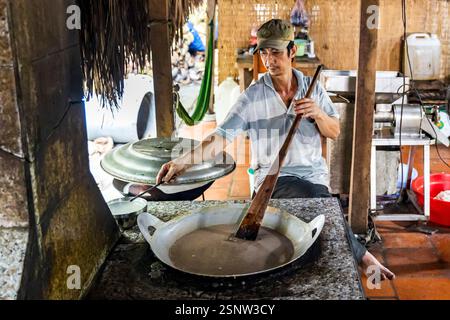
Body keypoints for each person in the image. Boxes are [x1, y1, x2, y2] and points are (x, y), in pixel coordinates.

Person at [157, 19, 395, 282]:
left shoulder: (312, 90)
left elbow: (334, 132)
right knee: (321, 202)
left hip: (313, 177)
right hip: (274, 179)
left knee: (318, 207)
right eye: (264, 52)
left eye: (276, 52)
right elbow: (220, 138)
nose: (269, 60)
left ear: (292, 51)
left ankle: (339, 272)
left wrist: (316, 114)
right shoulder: (253, 97)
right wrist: (182, 162)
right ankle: (363, 257)